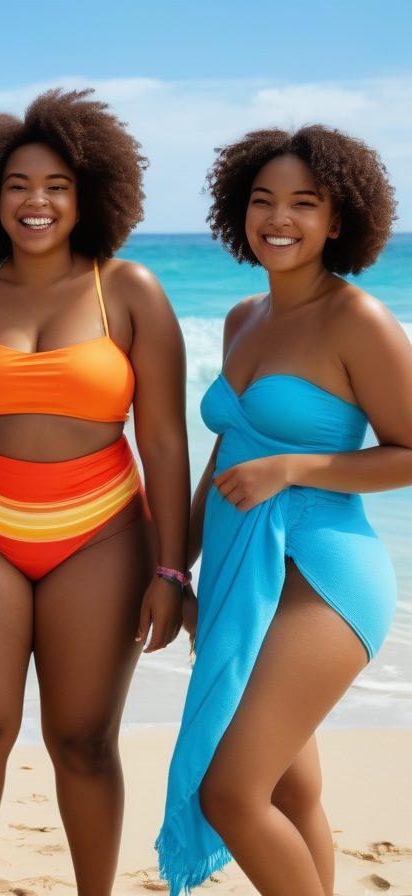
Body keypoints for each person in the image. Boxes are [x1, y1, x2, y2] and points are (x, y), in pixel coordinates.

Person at [0, 88, 190, 895]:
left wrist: (171, 571)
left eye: (57, 185)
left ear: (89, 194)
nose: (37, 201)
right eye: (19, 185)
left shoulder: (130, 291)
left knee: (84, 738)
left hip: (100, 532)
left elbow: (163, 440)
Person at [157, 125, 410, 896]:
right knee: (290, 792)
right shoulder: (242, 318)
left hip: (324, 576)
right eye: (263, 200)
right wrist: (174, 568)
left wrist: (296, 466)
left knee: (231, 793)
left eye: (305, 202)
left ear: (339, 220)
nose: (280, 218)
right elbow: (227, 455)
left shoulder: (357, 320)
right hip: (241, 574)